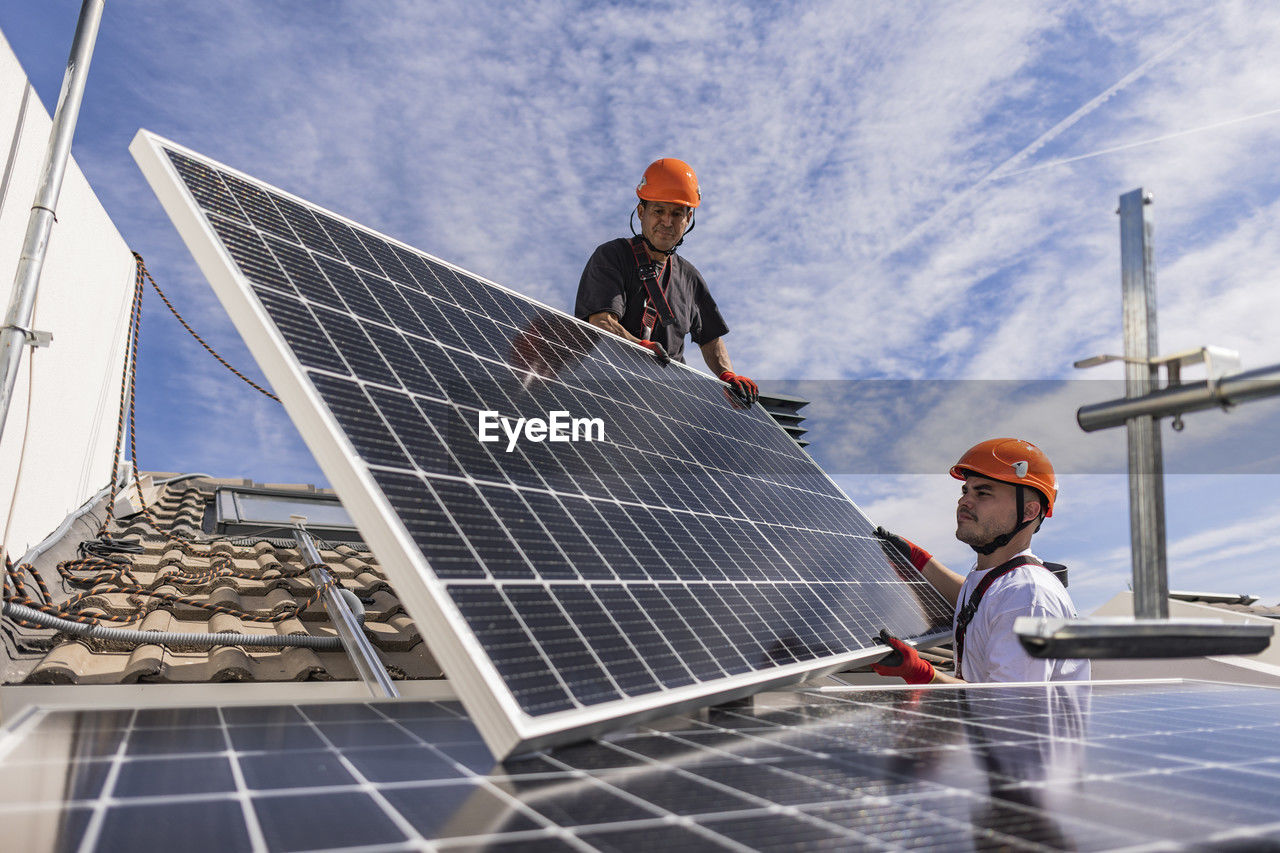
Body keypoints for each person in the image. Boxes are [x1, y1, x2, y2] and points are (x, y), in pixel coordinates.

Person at [872, 438, 1089, 684]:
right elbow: (982, 602)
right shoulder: (999, 581)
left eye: (983, 493)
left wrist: (922, 674)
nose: (964, 501)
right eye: (966, 491)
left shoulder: (1027, 596)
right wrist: (919, 562)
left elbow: (1008, 714)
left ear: (1028, 512)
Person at [574, 158, 758, 408]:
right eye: (658, 211)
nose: (667, 222)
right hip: (608, 394)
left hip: (666, 403)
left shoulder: (690, 277)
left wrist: (727, 375)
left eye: (676, 213)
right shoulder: (613, 256)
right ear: (641, 212)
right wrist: (640, 348)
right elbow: (602, 322)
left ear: (688, 218)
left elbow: (710, 338)